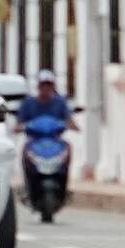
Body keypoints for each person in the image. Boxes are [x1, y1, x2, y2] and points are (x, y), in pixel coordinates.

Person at [16, 69, 77, 207]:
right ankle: (27, 185)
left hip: (55, 141)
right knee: (25, 151)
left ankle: (64, 185)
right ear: (38, 86)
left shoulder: (60, 103)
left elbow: (69, 120)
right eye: (43, 85)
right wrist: (22, 126)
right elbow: (18, 124)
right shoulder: (29, 103)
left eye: (49, 85)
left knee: (68, 148)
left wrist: (71, 125)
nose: (46, 88)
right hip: (35, 141)